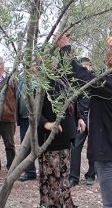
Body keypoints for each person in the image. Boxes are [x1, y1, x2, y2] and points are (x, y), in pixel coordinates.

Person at [58, 34, 112, 208]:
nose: (106, 54)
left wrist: (65, 49)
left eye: (110, 51)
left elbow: (81, 77)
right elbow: (84, 77)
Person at [37, 63, 85, 207]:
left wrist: (79, 117)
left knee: (63, 176)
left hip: (65, 138)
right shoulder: (41, 83)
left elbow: (73, 102)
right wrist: (46, 124)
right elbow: (33, 111)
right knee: (51, 178)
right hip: (49, 140)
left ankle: (66, 204)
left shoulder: (66, 80)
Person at [69, 57, 96, 187]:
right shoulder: (76, 82)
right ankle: (73, 177)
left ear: (91, 67)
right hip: (81, 118)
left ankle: (91, 175)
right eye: (83, 66)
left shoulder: (96, 80)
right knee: (75, 148)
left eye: (87, 66)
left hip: (95, 119)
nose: (86, 68)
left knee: (93, 148)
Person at [0, 60, 17, 174]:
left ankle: (11, 166)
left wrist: (13, 112)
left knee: (9, 144)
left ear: (2, 65)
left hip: (8, 117)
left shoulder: (11, 80)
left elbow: (17, 97)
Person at [16, 61, 38, 182]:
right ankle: (30, 172)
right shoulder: (21, 80)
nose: (30, 66)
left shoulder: (41, 80)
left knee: (40, 143)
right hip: (24, 118)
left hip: (38, 119)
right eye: (28, 64)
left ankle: (45, 169)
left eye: (33, 64)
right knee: (25, 145)